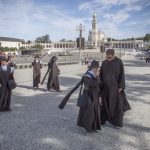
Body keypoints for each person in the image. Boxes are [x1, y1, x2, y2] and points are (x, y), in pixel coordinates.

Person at [100, 49, 131, 128]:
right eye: (107, 57)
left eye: (109, 57)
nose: (108, 59)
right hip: (105, 88)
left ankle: (116, 123)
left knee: (117, 106)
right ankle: (102, 120)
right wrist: (99, 85)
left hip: (115, 88)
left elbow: (122, 75)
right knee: (104, 105)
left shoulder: (119, 62)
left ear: (113, 55)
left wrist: (121, 86)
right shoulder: (104, 62)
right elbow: (101, 75)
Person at [77, 60, 101, 132]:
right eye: (96, 68)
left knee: (95, 112)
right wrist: (97, 78)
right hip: (88, 96)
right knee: (89, 113)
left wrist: (99, 96)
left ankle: (94, 127)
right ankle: (88, 127)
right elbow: (91, 85)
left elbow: (98, 87)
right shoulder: (87, 76)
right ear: (93, 68)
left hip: (95, 96)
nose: (97, 70)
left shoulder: (94, 75)